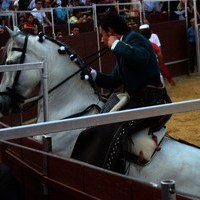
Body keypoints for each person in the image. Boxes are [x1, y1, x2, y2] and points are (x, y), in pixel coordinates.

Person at [87, 12, 171, 130]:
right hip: (140, 100)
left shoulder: (133, 37)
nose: (102, 40)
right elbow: (113, 81)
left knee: (111, 129)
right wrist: (92, 74)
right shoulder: (125, 43)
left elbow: (141, 58)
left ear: (110, 31)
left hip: (148, 100)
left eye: (102, 35)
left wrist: (116, 44)